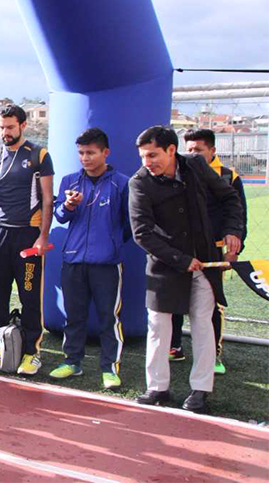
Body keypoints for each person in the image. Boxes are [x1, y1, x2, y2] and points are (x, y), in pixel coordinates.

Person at [129, 126, 243, 413]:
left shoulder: (195, 166)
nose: (147, 162)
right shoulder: (139, 182)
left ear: (171, 150)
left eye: (153, 155)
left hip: (205, 262)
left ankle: (200, 390)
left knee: (202, 323)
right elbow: (142, 233)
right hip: (164, 265)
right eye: (143, 156)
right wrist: (179, 259)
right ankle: (157, 388)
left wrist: (232, 231)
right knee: (158, 324)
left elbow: (230, 199)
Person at [0, 103, 54, 376]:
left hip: (28, 234)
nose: (5, 132)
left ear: (22, 125)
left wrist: (43, 237)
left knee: (29, 293)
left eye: (10, 127)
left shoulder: (39, 155)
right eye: (1, 127)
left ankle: (32, 352)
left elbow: (46, 199)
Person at [49, 128, 131, 389]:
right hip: (73, 261)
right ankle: (72, 362)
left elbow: (129, 224)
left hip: (106, 263)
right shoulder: (70, 181)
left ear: (105, 153)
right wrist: (69, 206)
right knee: (74, 316)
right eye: (81, 153)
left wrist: (112, 245)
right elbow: (60, 215)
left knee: (109, 318)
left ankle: (110, 368)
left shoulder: (121, 183)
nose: (85, 158)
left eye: (91, 153)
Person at [171, 129, 248, 374]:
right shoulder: (178, 172)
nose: (192, 154)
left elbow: (238, 215)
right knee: (175, 297)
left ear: (212, 151)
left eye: (198, 150)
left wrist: (234, 247)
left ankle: (213, 353)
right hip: (182, 249)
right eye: (189, 150)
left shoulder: (228, 176)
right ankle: (174, 346)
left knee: (212, 303)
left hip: (213, 250)